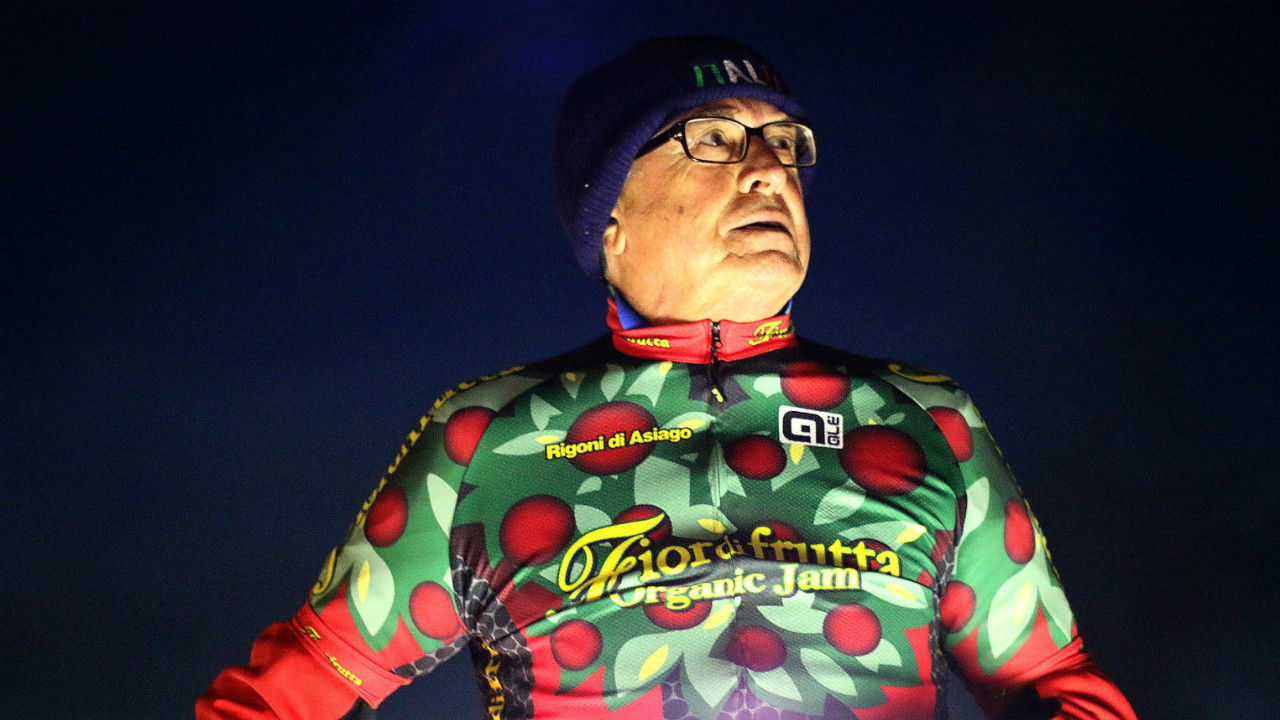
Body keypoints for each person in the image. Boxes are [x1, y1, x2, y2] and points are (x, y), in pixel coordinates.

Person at [198, 35, 1136, 720]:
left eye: (786, 144)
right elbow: (287, 692)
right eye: (714, 140)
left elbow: (1054, 685)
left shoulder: (929, 420)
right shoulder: (488, 438)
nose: (769, 170)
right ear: (609, 220)